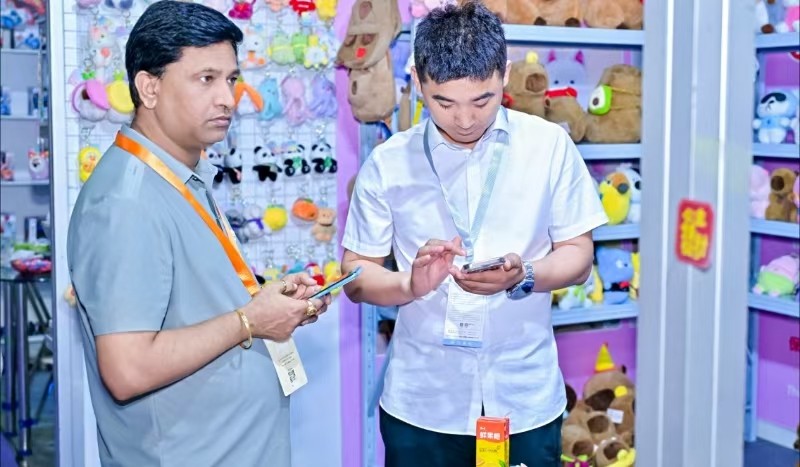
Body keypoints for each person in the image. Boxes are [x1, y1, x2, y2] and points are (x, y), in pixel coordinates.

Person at [341, 2, 608, 466]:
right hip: (423, 402)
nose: (464, 120)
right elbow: (356, 274)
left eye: (482, 101)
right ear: (418, 80)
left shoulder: (548, 146)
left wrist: (525, 275)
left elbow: (579, 254)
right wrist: (410, 284)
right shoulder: (388, 163)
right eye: (444, 102)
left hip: (523, 397)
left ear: (505, 75)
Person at [67, 2, 330, 465]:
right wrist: (249, 322)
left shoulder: (180, 176)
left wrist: (268, 305)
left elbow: (192, 306)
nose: (228, 98)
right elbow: (127, 369)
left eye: (231, 79)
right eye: (206, 79)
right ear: (149, 87)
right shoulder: (126, 202)